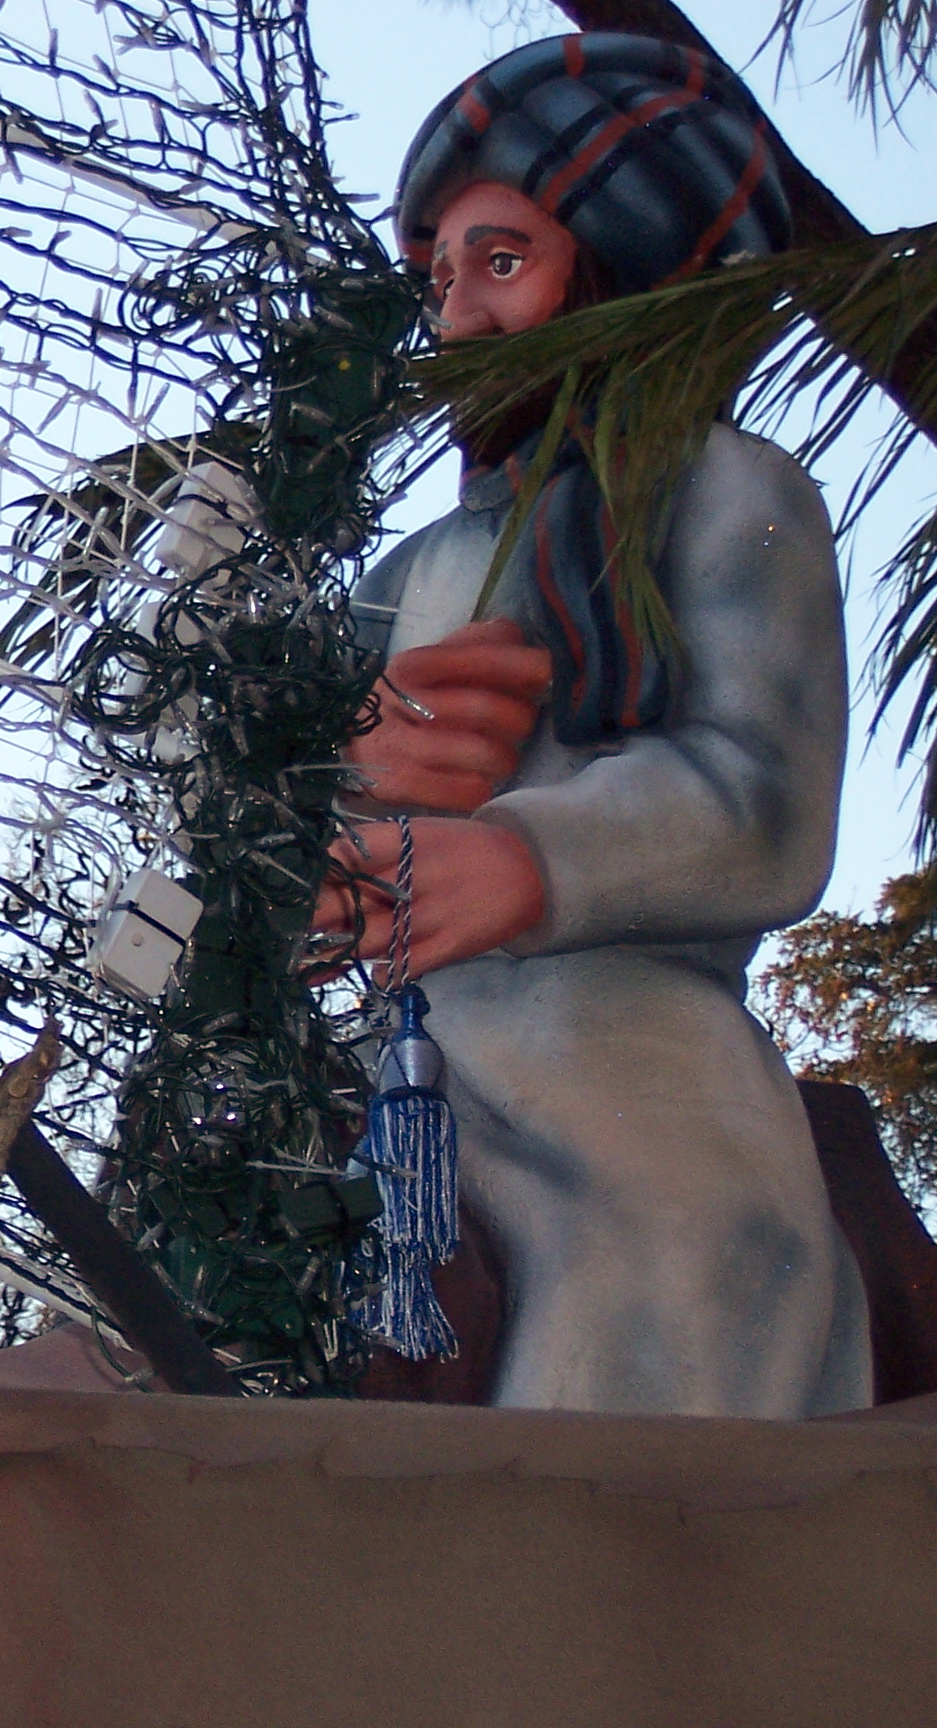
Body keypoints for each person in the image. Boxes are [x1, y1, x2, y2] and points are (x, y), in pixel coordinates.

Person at [312, 33, 872, 1417]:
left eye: (503, 262)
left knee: (685, 1270)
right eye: (441, 278)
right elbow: (275, 834)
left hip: (632, 1065)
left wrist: (527, 860)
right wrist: (343, 780)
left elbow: (761, 798)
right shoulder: (406, 576)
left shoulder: (729, 491)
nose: (458, 318)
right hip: (395, 1067)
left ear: (626, 271)